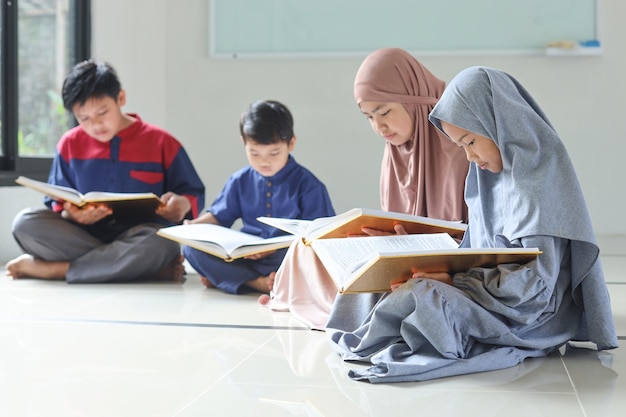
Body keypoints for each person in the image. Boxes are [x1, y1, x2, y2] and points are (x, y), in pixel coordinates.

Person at [325, 66, 618, 383]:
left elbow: (533, 291)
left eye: (471, 142)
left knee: (425, 297)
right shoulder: (486, 178)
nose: (470, 157)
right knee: (373, 274)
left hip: (527, 315)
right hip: (488, 291)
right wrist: (442, 266)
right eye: (460, 146)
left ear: (500, 126)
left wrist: (455, 280)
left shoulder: (535, 183)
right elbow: (480, 248)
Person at [260, 48, 469, 329]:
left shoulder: (462, 147)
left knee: (401, 295)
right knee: (306, 247)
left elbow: (475, 239)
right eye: (368, 117)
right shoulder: (395, 153)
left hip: (449, 269)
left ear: (416, 101)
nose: (378, 126)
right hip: (405, 258)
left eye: (384, 112)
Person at [5, 59, 205, 283]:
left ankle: (56, 270)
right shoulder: (69, 144)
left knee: (162, 241)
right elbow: (57, 202)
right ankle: (141, 268)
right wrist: (71, 214)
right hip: (82, 235)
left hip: (141, 237)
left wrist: (181, 205)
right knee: (25, 223)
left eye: (103, 113)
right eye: (84, 118)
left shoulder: (161, 142)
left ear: (121, 98)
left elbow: (193, 193)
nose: (96, 125)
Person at [182, 99, 335, 295]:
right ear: (243, 144)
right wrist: (195, 227)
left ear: (291, 143)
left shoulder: (309, 186)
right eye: (254, 153)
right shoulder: (240, 180)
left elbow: (320, 236)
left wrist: (273, 248)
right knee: (191, 250)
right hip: (245, 256)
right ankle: (257, 283)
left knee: (310, 258)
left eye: (274, 153)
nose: (264, 162)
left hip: (284, 257)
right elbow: (220, 216)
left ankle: (231, 279)